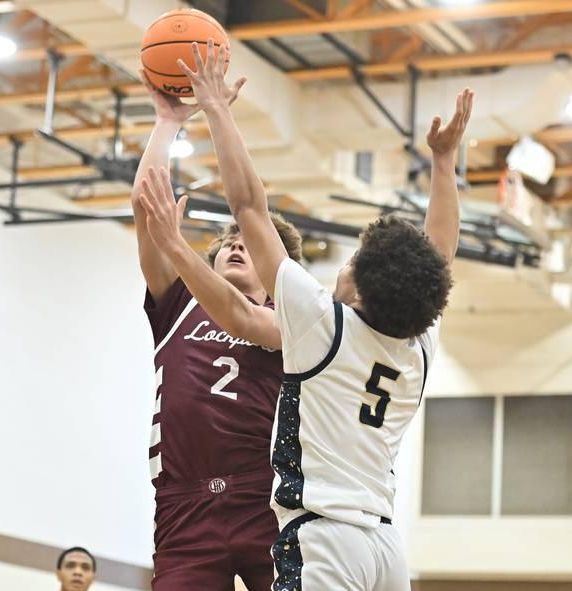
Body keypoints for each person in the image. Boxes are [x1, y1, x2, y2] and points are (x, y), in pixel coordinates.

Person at [168, 38, 473, 590]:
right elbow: (440, 256)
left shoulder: (324, 327)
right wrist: (444, 163)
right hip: (384, 547)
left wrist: (215, 109)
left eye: (353, 260)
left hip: (326, 537)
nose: (344, 263)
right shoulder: (417, 345)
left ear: (360, 289)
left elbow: (249, 210)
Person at [131, 68, 303, 589]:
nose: (234, 244)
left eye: (247, 244)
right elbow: (147, 208)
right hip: (184, 504)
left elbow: (252, 210)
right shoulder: (179, 302)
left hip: (265, 498)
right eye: (227, 241)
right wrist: (167, 123)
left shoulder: (293, 317)